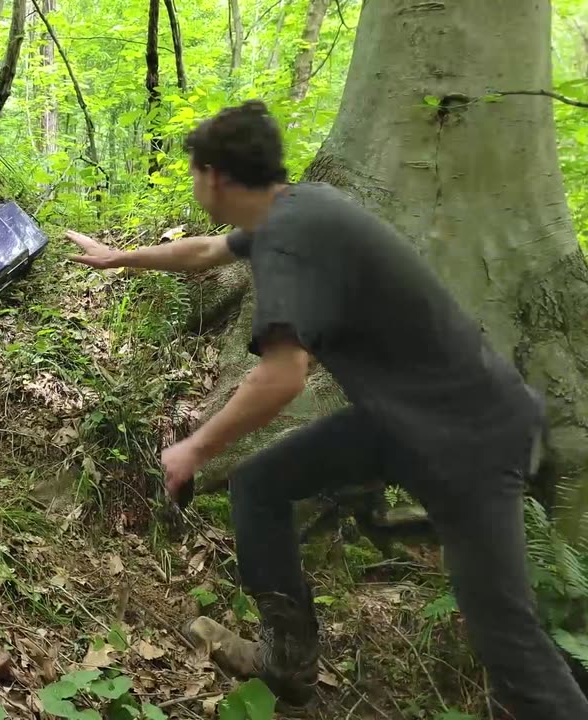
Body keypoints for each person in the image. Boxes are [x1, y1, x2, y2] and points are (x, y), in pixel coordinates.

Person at [65, 100, 588, 718]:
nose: (195, 184)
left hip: (469, 437)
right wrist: (117, 256)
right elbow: (204, 252)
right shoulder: (292, 209)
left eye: (196, 172)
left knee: (509, 643)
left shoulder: (289, 241)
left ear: (215, 177)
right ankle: (289, 665)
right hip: (401, 421)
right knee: (260, 485)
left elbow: (282, 376)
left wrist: (194, 447)